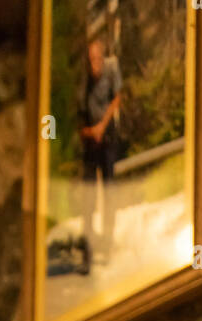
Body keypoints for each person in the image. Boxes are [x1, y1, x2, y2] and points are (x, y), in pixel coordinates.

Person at [78, 37, 121, 257]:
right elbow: (80, 121)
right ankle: (88, 239)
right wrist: (90, 131)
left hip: (107, 139)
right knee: (88, 192)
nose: (95, 63)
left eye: (97, 58)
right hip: (91, 144)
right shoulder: (84, 83)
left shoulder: (112, 69)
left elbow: (117, 98)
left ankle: (108, 238)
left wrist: (102, 126)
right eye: (91, 59)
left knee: (109, 188)